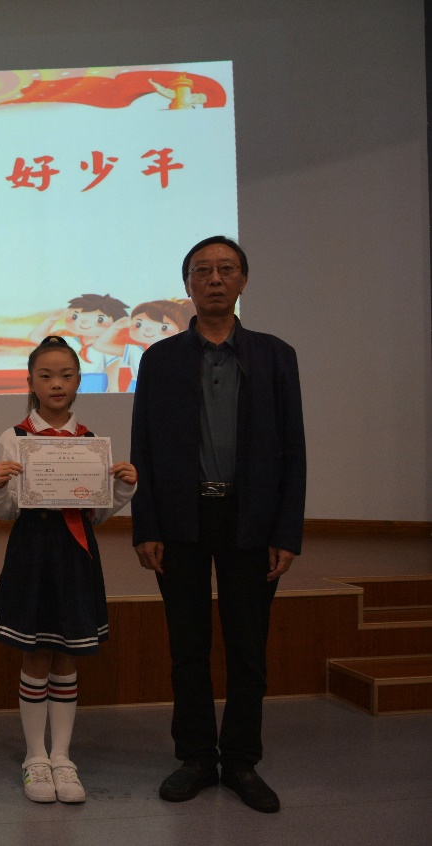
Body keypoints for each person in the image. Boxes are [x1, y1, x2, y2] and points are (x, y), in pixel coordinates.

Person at [131, 236, 306, 814]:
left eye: (226, 269)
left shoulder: (275, 355)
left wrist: (286, 532)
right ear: (187, 285)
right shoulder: (160, 359)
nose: (214, 279)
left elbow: (294, 449)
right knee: (188, 646)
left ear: (243, 281)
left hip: (251, 518)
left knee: (248, 647)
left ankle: (242, 761)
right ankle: (196, 758)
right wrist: (146, 525)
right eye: (202, 270)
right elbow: (143, 447)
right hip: (182, 517)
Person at [0, 336, 137, 804]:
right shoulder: (13, 437)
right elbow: (4, 511)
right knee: (34, 655)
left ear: (78, 382)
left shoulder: (91, 442)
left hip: (75, 555)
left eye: (66, 375)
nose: (56, 384)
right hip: (32, 553)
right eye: (46, 375)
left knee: (68, 655)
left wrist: (124, 488)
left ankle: (63, 758)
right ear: (30, 382)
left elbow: (98, 515)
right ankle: (35, 758)